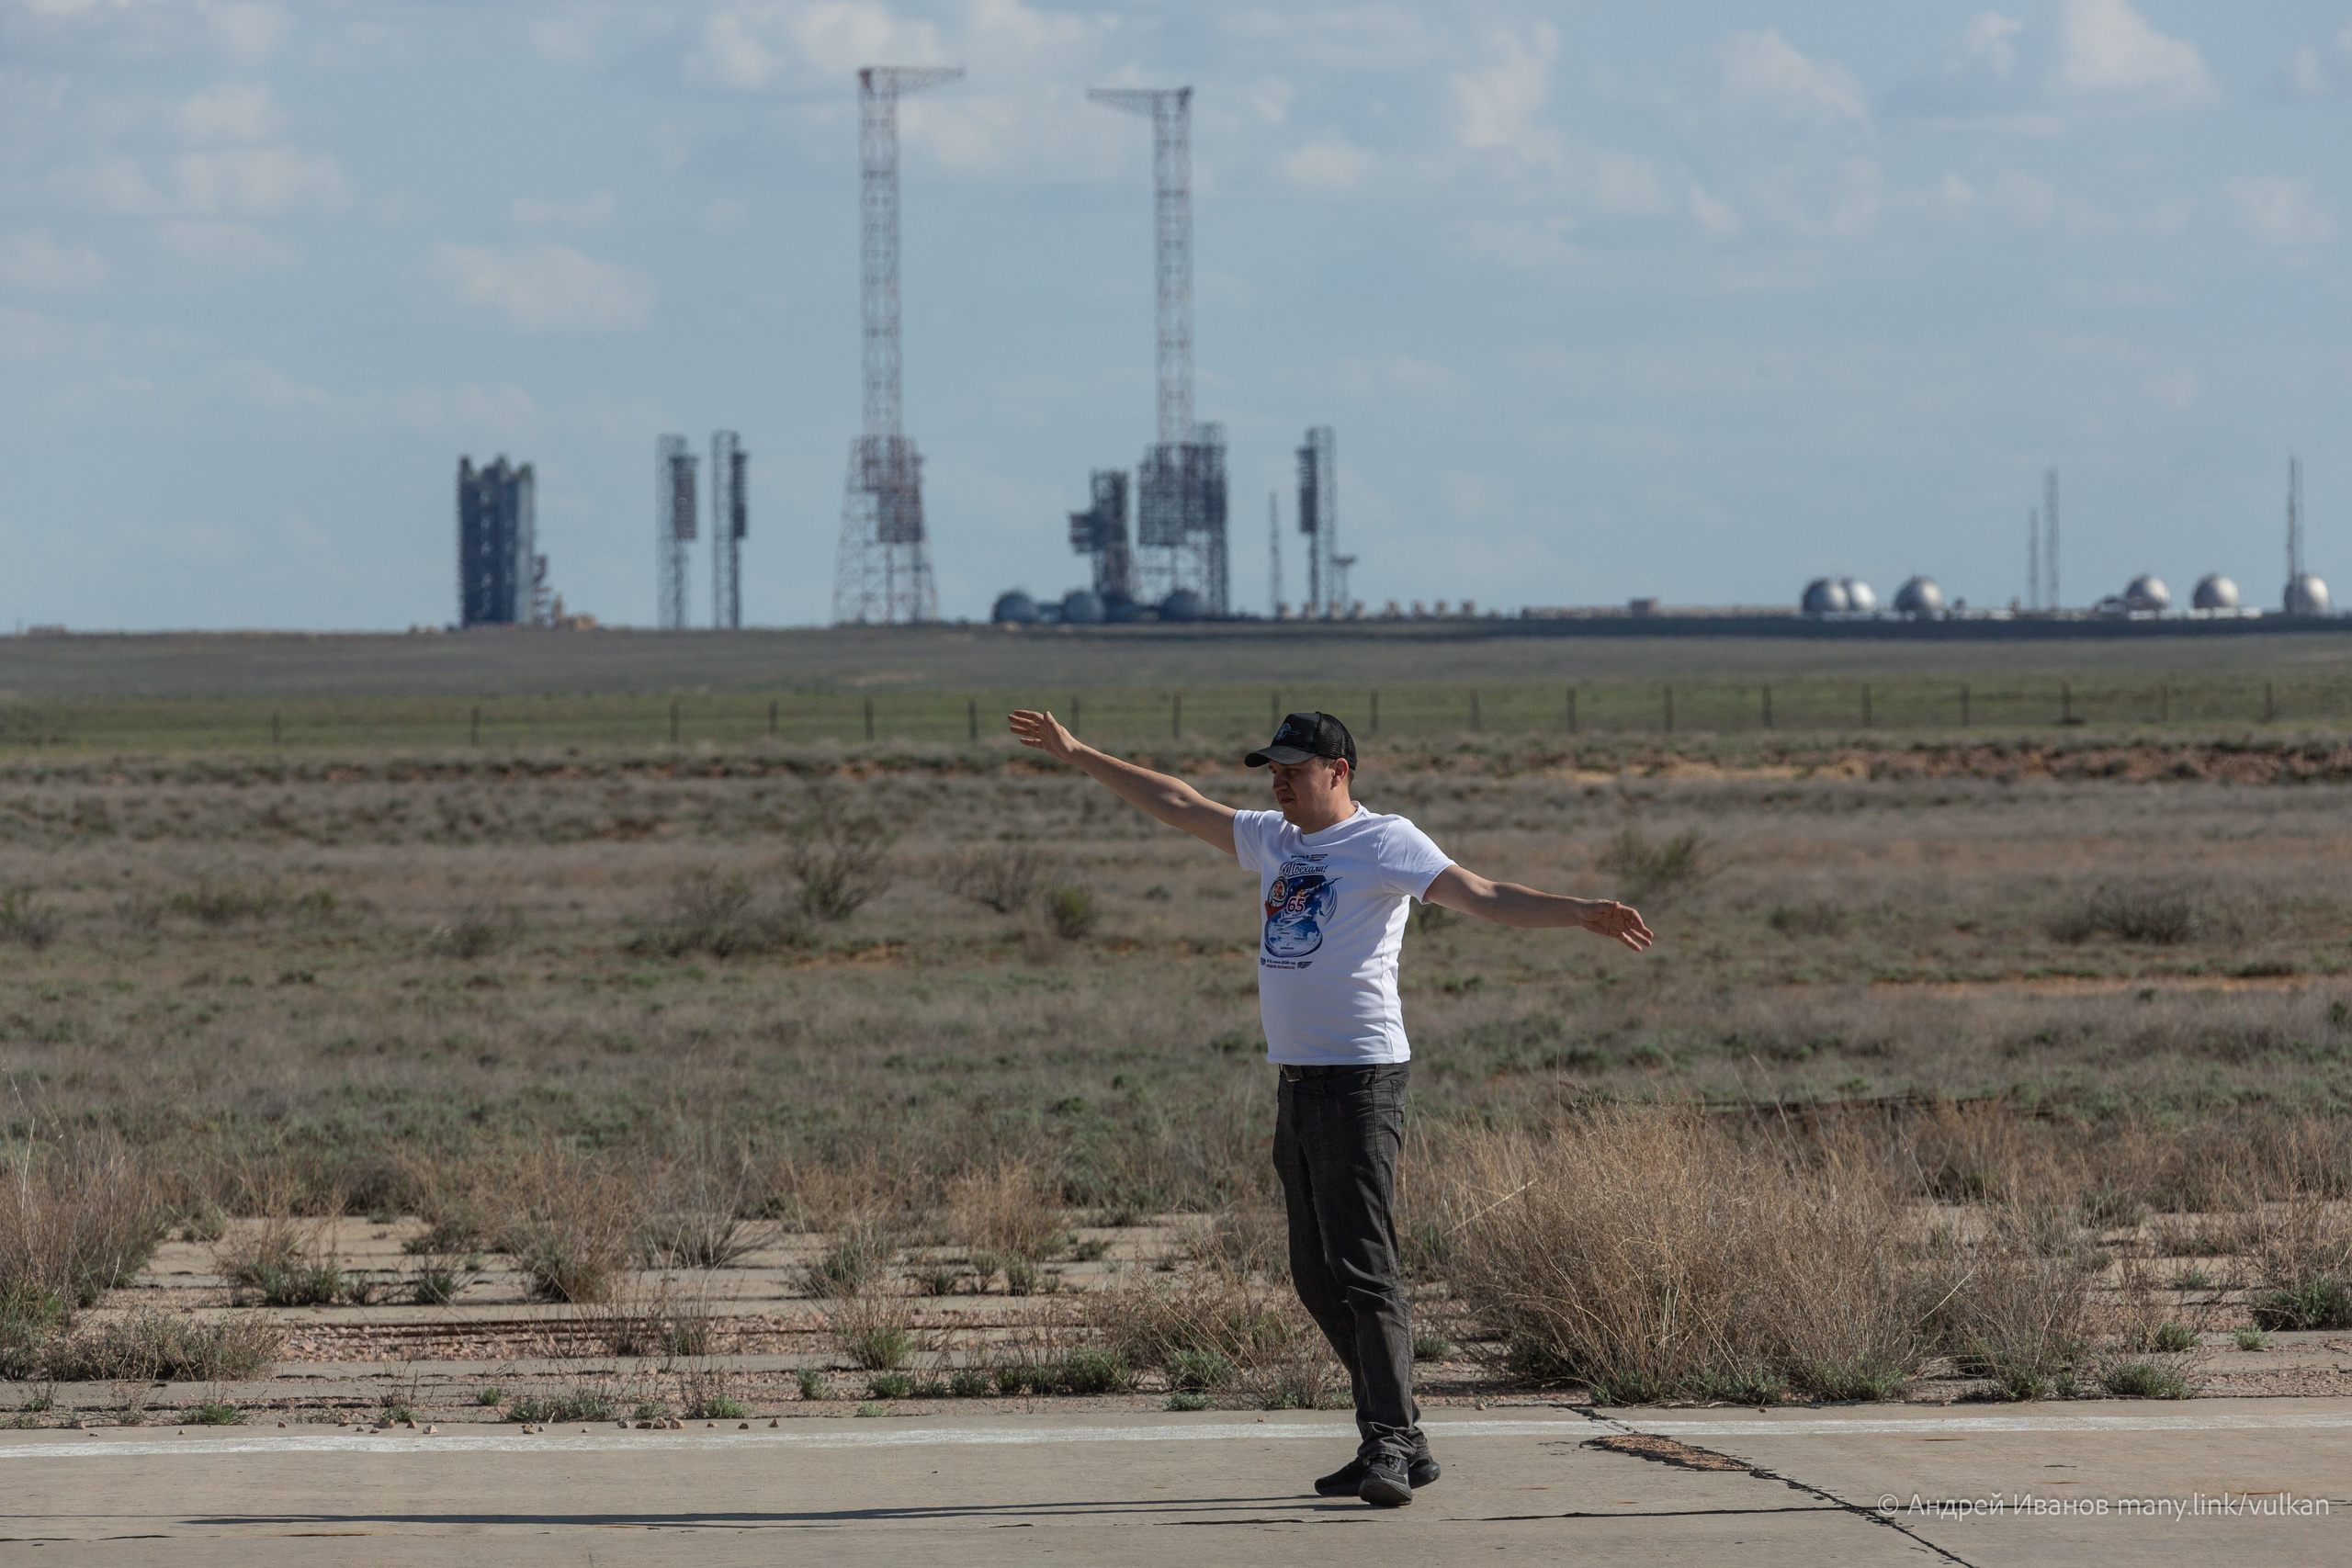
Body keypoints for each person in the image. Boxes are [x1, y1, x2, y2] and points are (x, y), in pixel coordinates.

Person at [1007, 706, 1654, 1507]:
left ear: (1339, 771)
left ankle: (1388, 1439)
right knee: (1316, 1275)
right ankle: (1397, 1432)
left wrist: (1578, 909)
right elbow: (1178, 803)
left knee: (1364, 1267)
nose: (1277, 781)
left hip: (1360, 1080)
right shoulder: (1279, 840)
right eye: (1271, 769)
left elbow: (1479, 892)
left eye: (1293, 768)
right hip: (1297, 1082)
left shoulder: (1385, 841)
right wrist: (1076, 752)